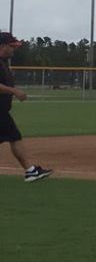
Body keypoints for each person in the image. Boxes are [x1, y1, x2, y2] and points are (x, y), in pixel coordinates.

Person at [0, 32, 53, 182]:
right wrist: (14, 91)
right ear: (3, 46)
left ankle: (30, 171)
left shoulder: (3, 62)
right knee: (15, 137)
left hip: (2, 110)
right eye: (12, 46)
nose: (14, 50)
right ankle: (30, 171)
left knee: (14, 137)